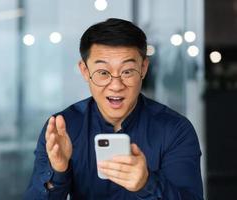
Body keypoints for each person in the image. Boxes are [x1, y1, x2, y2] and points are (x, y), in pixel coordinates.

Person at [24, 18, 203, 200]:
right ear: (85, 71)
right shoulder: (62, 128)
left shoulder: (175, 130)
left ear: (143, 68)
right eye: (103, 73)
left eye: (127, 71)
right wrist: (58, 171)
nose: (116, 86)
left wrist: (147, 183)